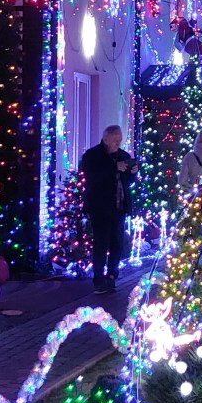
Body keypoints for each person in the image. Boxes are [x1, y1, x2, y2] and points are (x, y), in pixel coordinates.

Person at [80, 124, 136, 294]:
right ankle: (98, 279)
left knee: (117, 244)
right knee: (101, 244)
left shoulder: (123, 156)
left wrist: (132, 172)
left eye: (120, 140)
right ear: (105, 139)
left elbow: (127, 182)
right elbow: (92, 177)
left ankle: (112, 276)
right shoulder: (92, 155)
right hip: (100, 207)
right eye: (115, 140)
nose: (118, 143)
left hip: (119, 207)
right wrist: (113, 169)